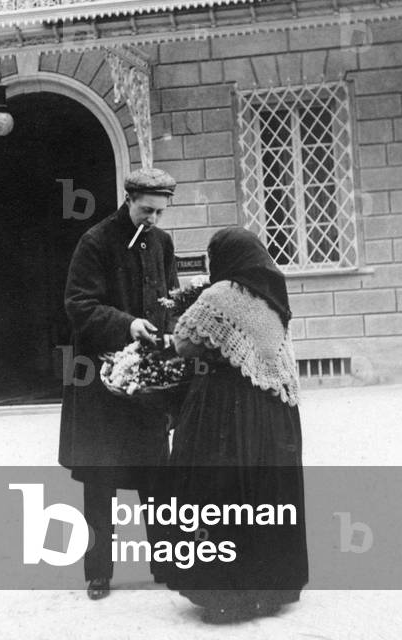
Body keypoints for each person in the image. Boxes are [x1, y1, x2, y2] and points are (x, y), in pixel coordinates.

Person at [163, 226, 308, 624]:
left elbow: (183, 343)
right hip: (272, 414)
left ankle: (226, 594)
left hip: (225, 408)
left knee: (219, 493)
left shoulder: (220, 295)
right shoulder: (274, 296)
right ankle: (271, 588)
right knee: (265, 499)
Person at [58, 167, 179, 600]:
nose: (153, 219)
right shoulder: (95, 242)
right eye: (146, 210)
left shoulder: (162, 242)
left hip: (147, 382)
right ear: (128, 200)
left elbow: (170, 298)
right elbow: (78, 305)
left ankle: (165, 563)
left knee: (155, 478)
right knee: (101, 480)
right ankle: (99, 573)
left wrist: (171, 335)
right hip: (101, 384)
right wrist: (128, 325)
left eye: (160, 212)